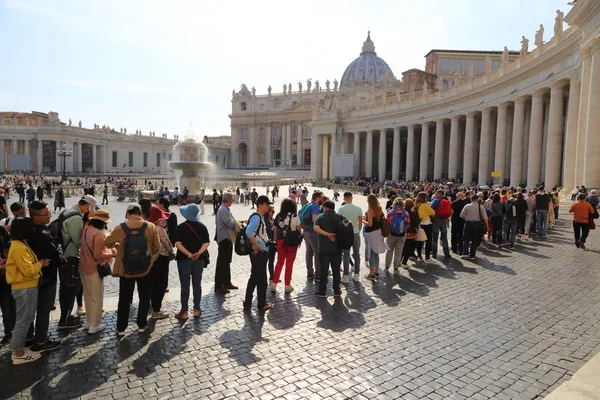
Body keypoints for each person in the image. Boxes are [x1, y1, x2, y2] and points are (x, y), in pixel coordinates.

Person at [104, 203, 160, 336]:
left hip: (125, 269)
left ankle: (121, 328)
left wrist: (118, 245)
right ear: (141, 213)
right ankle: (141, 325)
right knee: (144, 297)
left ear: (128, 213)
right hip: (145, 269)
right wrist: (148, 257)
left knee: (124, 299)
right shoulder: (151, 226)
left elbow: (107, 243)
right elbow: (157, 247)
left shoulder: (121, 227)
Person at [5, 218, 51, 364]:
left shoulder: (20, 244)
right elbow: (28, 270)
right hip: (24, 287)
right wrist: (40, 264)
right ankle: (18, 353)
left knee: (26, 319)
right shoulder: (19, 247)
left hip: (26, 286)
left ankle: (19, 349)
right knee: (23, 321)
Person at [26, 201, 62, 351]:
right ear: (36, 216)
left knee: (29, 310)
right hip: (46, 278)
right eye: (46, 214)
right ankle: (41, 341)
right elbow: (57, 258)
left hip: (31, 277)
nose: (49, 216)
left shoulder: (26, 232)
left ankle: (28, 338)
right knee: (43, 309)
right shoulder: (42, 235)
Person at [58, 196, 97, 329]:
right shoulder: (76, 218)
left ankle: (65, 316)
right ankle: (65, 320)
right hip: (71, 257)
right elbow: (79, 241)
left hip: (64, 256)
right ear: (87, 205)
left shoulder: (67, 211)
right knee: (71, 288)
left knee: (65, 287)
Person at [79, 209, 116, 334]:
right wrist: (112, 254)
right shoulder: (99, 234)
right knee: (96, 296)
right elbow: (98, 255)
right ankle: (95, 324)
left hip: (83, 266)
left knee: (88, 295)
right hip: (94, 268)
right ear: (103, 223)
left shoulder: (86, 230)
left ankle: (89, 321)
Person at [173, 204, 210, 319]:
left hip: (184, 259)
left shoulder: (181, 227)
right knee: (197, 285)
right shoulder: (202, 226)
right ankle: (196, 309)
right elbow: (206, 243)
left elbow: (178, 244)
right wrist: (198, 253)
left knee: (185, 286)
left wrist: (189, 254)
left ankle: (184, 312)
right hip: (199, 260)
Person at [243, 195, 273, 311]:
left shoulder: (259, 217)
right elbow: (249, 232)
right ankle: (261, 304)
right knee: (261, 279)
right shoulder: (257, 218)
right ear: (260, 205)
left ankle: (247, 303)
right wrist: (257, 246)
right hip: (259, 253)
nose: (268, 207)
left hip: (259, 251)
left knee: (254, 278)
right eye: (266, 204)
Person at [147, 206, 173, 320]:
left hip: (150, 258)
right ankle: (156, 310)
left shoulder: (146, 228)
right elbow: (168, 244)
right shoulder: (160, 230)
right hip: (162, 258)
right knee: (162, 283)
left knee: (152, 282)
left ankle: (153, 305)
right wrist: (172, 253)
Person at [272, 198, 302, 293]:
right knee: (289, 263)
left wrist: (275, 240)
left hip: (280, 241)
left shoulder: (278, 215)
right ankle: (287, 285)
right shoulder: (295, 216)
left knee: (279, 262)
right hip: (291, 242)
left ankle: (274, 283)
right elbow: (298, 229)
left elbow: (275, 229)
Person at [215, 193, 238, 294]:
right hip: (224, 239)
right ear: (229, 200)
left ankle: (227, 282)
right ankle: (219, 285)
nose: (233, 201)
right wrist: (237, 222)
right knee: (222, 262)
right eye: (232, 199)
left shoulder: (225, 209)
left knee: (226, 261)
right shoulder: (223, 210)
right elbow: (231, 223)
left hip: (227, 239)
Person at [337, 192, 362, 283]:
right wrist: (357, 230)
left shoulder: (341, 209)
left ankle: (346, 276)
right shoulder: (358, 209)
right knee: (356, 254)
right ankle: (357, 275)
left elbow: (338, 222)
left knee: (346, 254)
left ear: (344, 199)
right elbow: (360, 223)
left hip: (345, 234)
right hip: (355, 232)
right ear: (352, 198)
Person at [363, 194, 386, 279]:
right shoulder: (379, 208)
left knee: (371, 253)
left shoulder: (370, 210)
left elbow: (370, 224)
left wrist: (363, 220)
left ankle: (371, 274)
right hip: (378, 232)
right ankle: (376, 271)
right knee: (376, 253)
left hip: (371, 233)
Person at [301, 191, 323, 281]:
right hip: (312, 232)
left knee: (309, 252)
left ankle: (310, 273)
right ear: (317, 198)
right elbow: (314, 219)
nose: (322, 199)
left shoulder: (308, 205)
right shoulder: (315, 207)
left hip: (305, 231)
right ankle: (318, 275)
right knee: (317, 253)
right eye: (321, 198)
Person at [385, 197, 409, 272]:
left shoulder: (390, 212)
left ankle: (387, 267)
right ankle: (396, 268)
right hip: (402, 235)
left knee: (389, 251)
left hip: (391, 235)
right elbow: (408, 225)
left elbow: (387, 223)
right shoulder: (406, 213)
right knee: (398, 252)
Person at [460, 194, 488, 260]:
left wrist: (467, 218)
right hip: (477, 224)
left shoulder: (467, 206)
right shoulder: (481, 207)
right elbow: (485, 217)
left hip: (468, 223)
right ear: (477, 200)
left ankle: (465, 253)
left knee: (466, 239)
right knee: (475, 240)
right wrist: (487, 225)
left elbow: (461, 215)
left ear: (471, 199)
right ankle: (472, 255)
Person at [0, 239, 15, 348]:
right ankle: (8, 332)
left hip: (14, 289)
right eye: (5, 251)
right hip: (4, 291)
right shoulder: (3, 262)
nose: (7, 254)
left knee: (14, 311)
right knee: (6, 312)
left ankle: (14, 332)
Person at [430, 190, 452, 259]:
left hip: (436, 219)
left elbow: (430, 210)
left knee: (435, 238)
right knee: (444, 238)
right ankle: (447, 254)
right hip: (444, 219)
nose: (435, 194)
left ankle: (434, 254)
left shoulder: (435, 201)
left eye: (436, 193)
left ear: (439, 194)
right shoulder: (446, 201)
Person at [415, 192, 436, 263]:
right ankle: (427, 257)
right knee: (428, 241)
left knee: (419, 241)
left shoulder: (417, 204)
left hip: (420, 224)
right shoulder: (425, 205)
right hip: (427, 224)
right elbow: (433, 212)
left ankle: (419, 256)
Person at [400, 198, 419, 268]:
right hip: (411, 233)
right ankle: (404, 262)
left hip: (402, 232)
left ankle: (398, 261)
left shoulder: (402, 212)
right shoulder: (412, 213)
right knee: (408, 248)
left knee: (402, 248)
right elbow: (416, 222)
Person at [265, 205, 277, 285]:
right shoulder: (265, 221)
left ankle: (272, 276)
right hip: (267, 243)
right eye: (271, 211)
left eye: (274, 212)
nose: (273, 213)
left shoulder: (273, 220)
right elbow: (268, 231)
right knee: (267, 261)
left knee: (272, 261)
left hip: (273, 243)